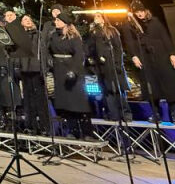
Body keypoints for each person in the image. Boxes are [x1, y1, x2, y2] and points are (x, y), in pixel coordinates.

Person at [123, 0, 175, 124]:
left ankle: (174, 113)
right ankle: (156, 113)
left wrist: (172, 53)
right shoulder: (129, 26)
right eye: (137, 12)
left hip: (161, 55)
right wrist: (134, 56)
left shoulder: (154, 22)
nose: (140, 14)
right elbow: (129, 42)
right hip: (144, 57)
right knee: (151, 85)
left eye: (141, 11)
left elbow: (164, 37)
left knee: (169, 83)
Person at [47, 11, 94, 139]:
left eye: (58, 20)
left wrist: (74, 70)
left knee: (78, 102)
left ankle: (86, 131)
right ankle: (72, 130)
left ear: (65, 22)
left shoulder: (74, 37)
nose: (55, 22)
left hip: (72, 70)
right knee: (66, 103)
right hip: (59, 70)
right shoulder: (53, 36)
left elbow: (79, 55)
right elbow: (49, 50)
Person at [88, 12, 132, 122]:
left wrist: (118, 63)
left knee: (119, 90)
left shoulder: (111, 31)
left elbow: (118, 48)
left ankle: (125, 113)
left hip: (113, 64)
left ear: (103, 18)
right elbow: (92, 48)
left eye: (98, 16)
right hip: (102, 67)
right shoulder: (94, 33)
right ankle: (113, 114)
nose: (96, 18)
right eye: (95, 17)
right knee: (107, 91)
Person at [17, 14, 51, 135]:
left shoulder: (39, 35)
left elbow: (43, 52)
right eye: (24, 20)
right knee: (28, 99)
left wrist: (44, 68)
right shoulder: (20, 37)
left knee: (40, 99)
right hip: (25, 70)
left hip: (37, 70)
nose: (27, 21)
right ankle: (30, 125)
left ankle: (44, 126)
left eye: (28, 19)